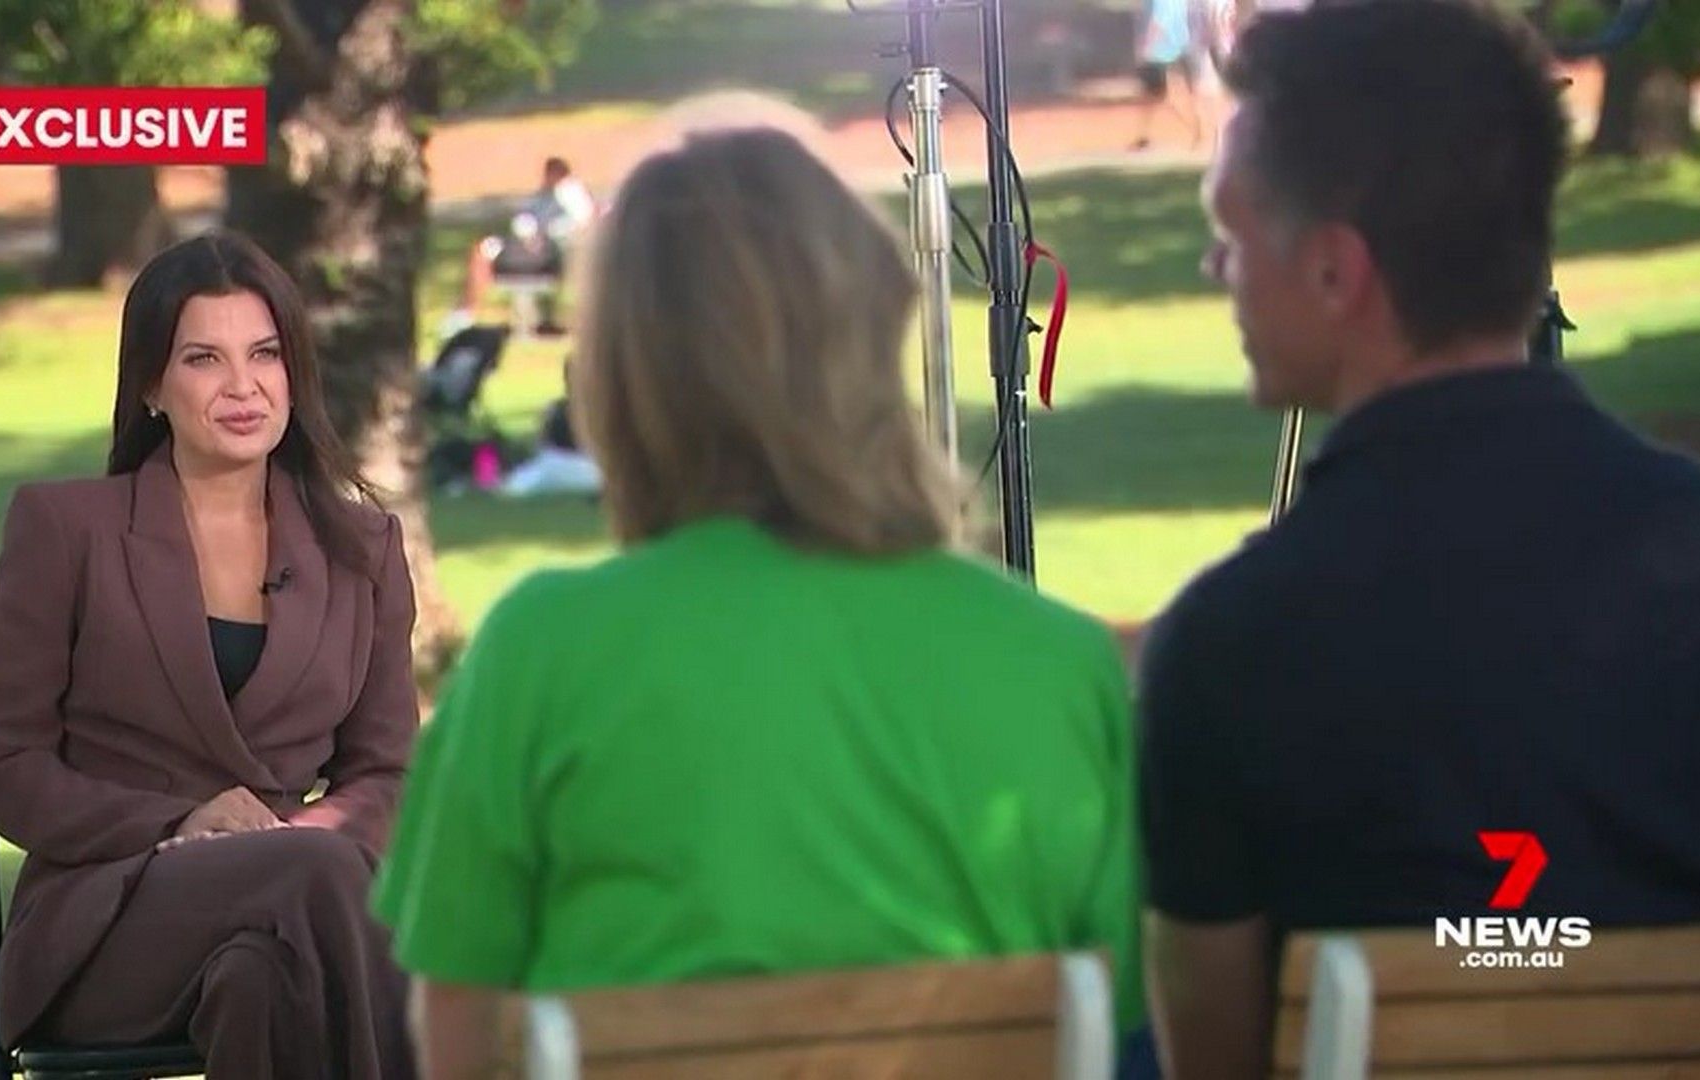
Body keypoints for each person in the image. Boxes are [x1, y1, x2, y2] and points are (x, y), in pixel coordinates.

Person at [374, 115, 1144, 1079]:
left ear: (622, 377)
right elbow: (1120, 1005)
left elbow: (459, 1021)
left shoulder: (543, 651)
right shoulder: (1059, 664)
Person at [1138, 3, 1700, 1076]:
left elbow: (1212, 1061)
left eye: (1233, 231)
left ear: (1335, 273)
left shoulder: (1230, 646)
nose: (1217, 267)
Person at [0, 230, 420, 1078]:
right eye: (204, 358)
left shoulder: (363, 550)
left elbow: (387, 774)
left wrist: (290, 839)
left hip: (297, 904)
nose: (243, 386)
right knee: (326, 894)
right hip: (111, 918)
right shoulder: (67, 530)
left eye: (265, 354)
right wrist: (178, 824)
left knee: (266, 983)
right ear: (151, 386)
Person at [447, 156, 596, 335]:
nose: (546, 177)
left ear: (558, 174)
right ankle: (465, 310)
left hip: (542, 254)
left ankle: (465, 313)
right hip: (524, 247)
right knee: (481, 250)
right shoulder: (545, 194)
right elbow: (525, 219)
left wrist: (541, 235)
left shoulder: (569, 192)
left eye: (550, 173)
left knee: (482, 255)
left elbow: (581, 223)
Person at [1131, 0, 1205, 150]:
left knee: (1157, 96)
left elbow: (1159, 22)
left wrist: (1146, 47)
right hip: (1183, 47)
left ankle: (1196, 131)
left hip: (1162, 52)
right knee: (1157, 97)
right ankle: (1144, 135)